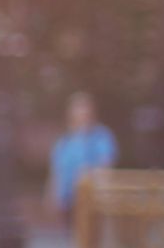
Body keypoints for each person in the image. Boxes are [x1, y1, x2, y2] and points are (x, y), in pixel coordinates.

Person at [46, 90, 117, 226]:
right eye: (78, 109)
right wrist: (52, 196)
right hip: (68, 199)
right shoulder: (65, 141)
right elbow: (57, 171)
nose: (82, 113)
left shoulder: (101, 136)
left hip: (90, 198)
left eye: (85, 108)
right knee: (72, 238)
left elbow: (106, 164)